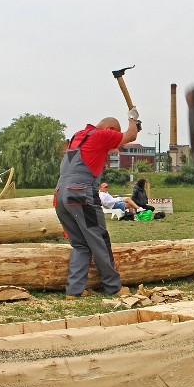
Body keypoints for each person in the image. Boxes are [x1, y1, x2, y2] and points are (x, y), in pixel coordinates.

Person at [54, 109, 139, 299]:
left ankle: (74, 291)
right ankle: (113, 287)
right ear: (110, 129)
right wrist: (133, 118)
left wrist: (133, 129)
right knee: (100, 239)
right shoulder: (102, 135)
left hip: (60, 196)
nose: (114, 147)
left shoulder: (79, 137)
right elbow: (130, 135)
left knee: (80, 245)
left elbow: (127, 137)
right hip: (80, 195)